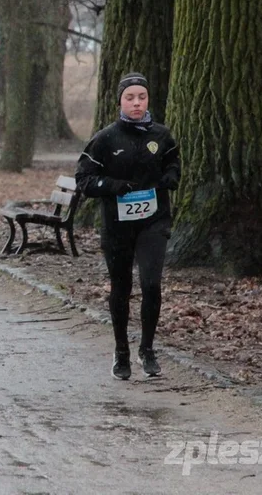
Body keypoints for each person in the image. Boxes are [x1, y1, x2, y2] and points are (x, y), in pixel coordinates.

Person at [75, 72, 180, 381]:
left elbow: (173, 163)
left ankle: (147, 349)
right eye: (130, 98)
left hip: (153, 221)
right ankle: (121, 352)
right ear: (120, 101)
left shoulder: (161, 135)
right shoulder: (105, 138)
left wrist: (171, 177)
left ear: (148, 100)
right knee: (121, 287)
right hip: (117, 224)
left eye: (142, 97)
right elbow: (83, 180)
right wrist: (112, 184)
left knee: (151, 284)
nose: (137, 103)